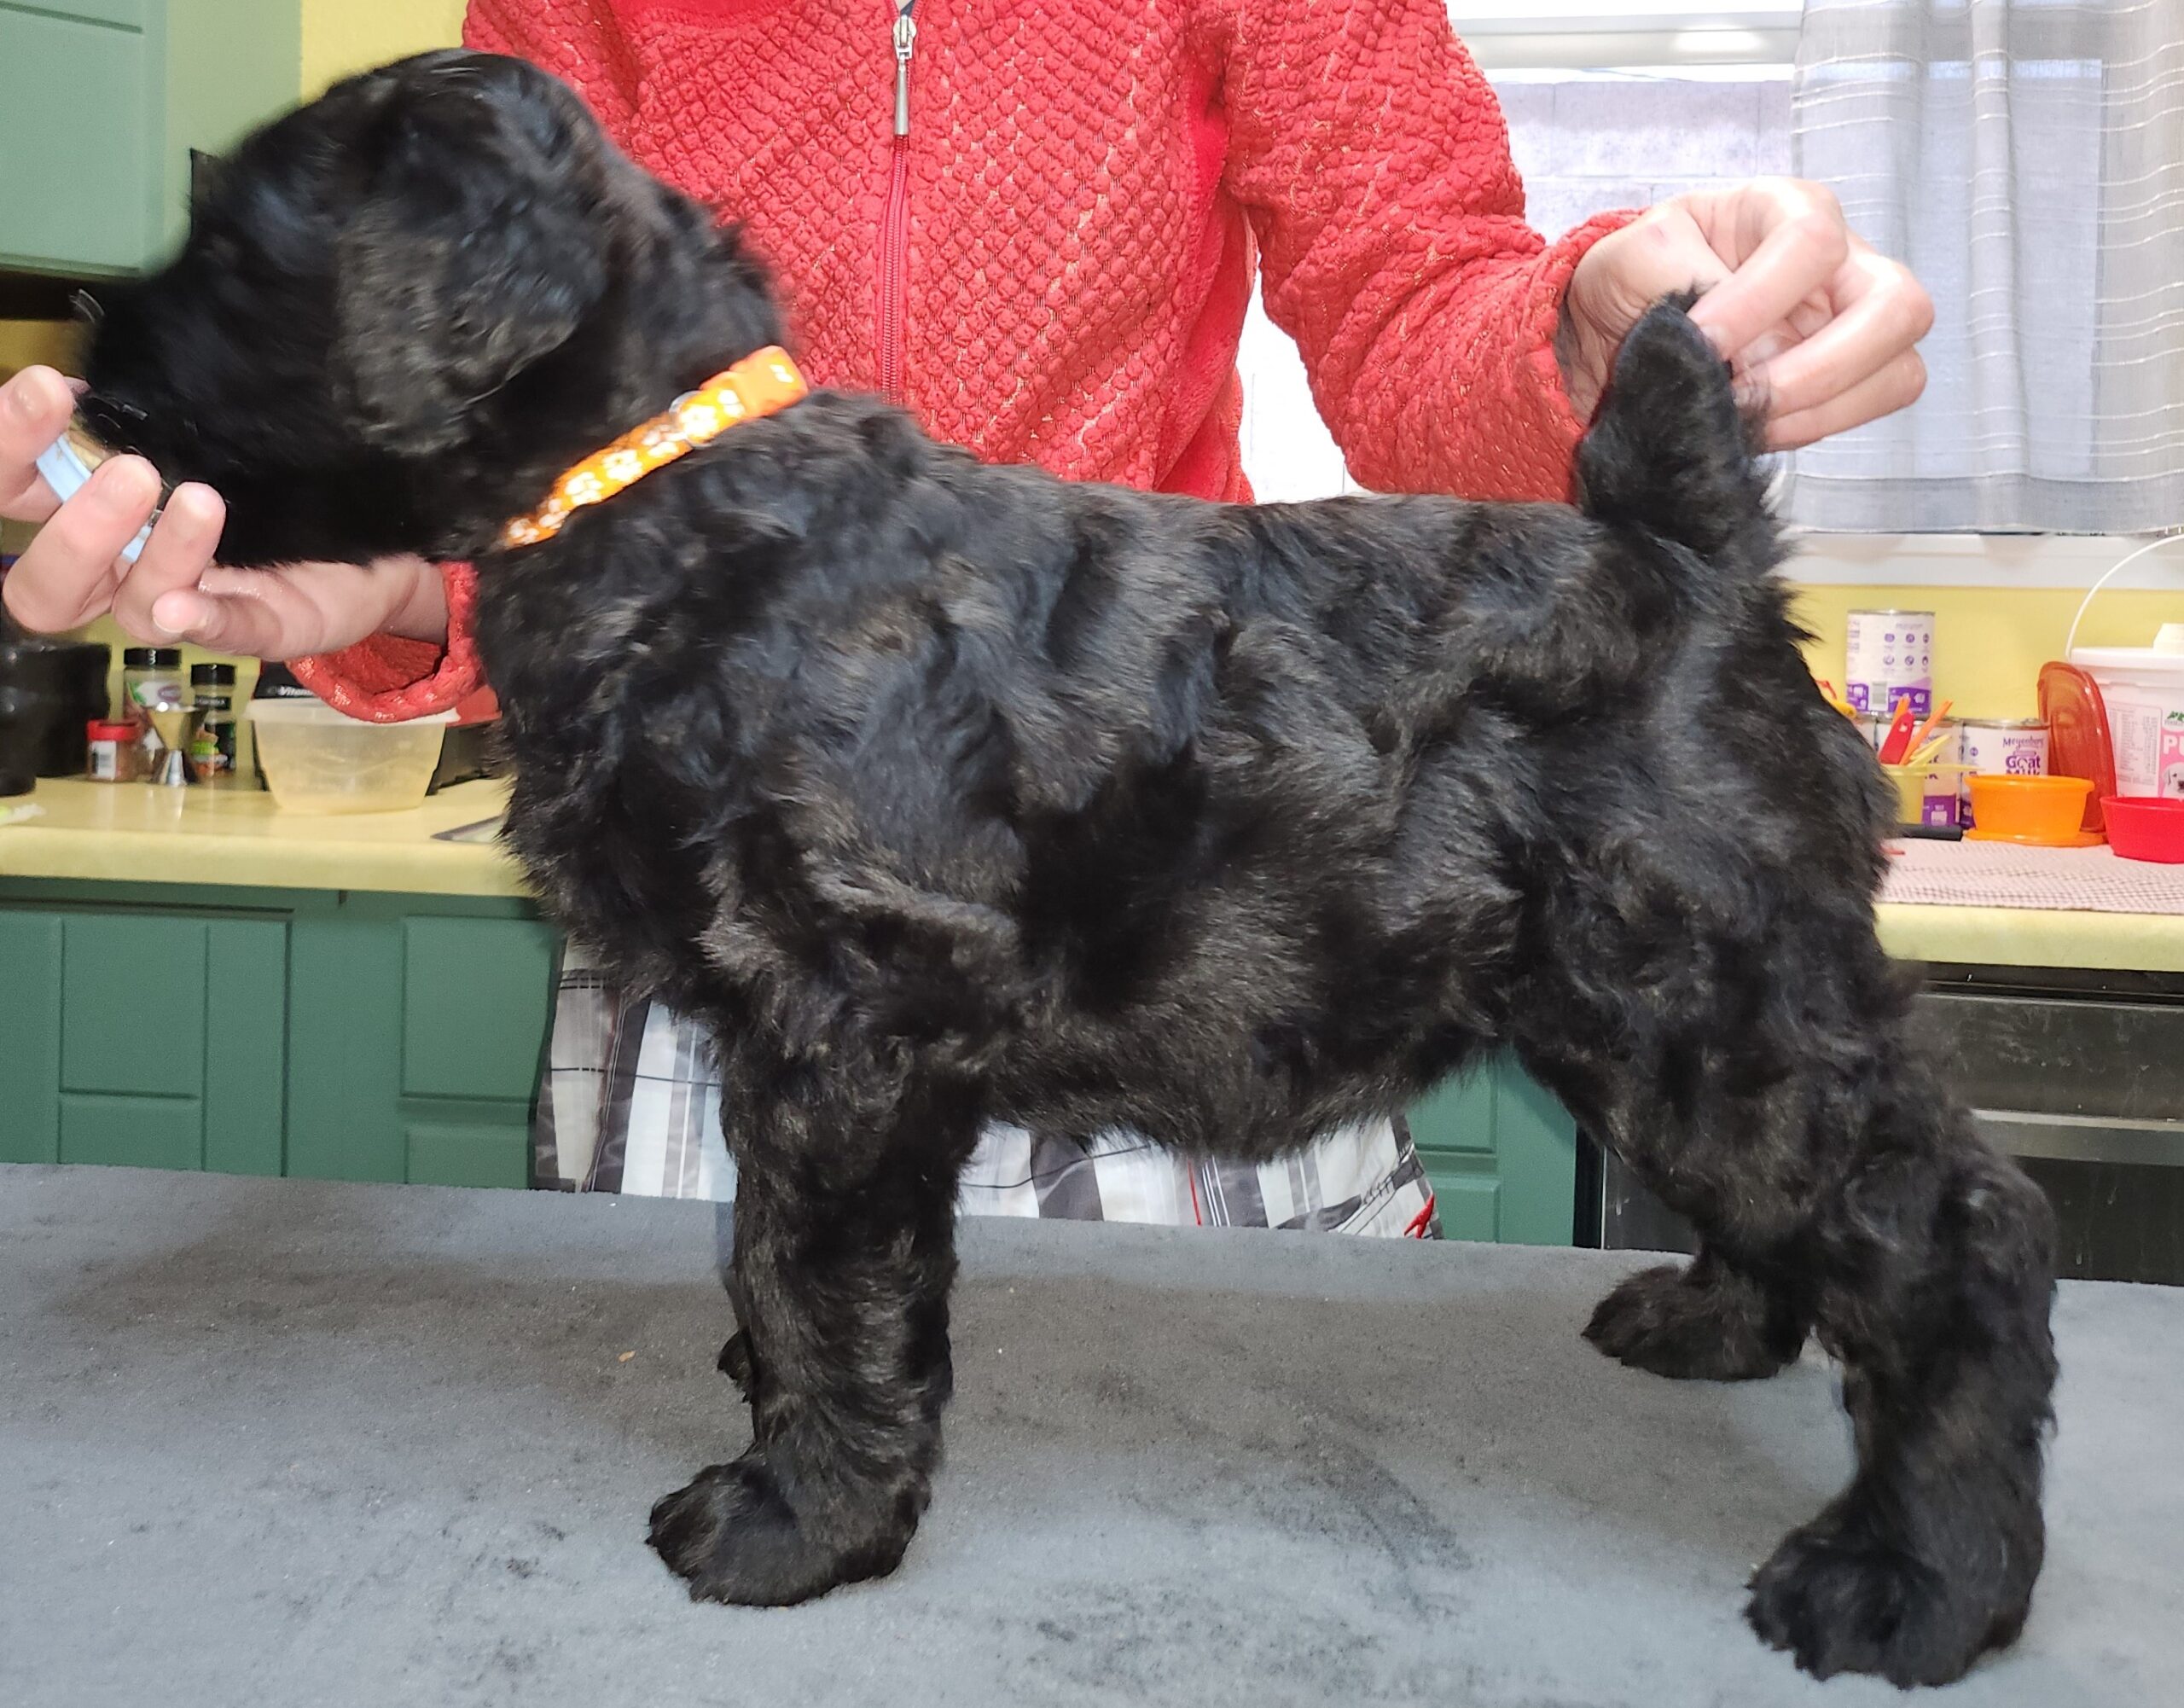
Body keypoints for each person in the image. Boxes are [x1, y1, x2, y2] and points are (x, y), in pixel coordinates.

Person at [0, 0, 1931, 1231]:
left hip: (1169, 850)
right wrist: (376, 576)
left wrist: (1570, 336)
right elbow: (521, 467)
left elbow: (1411, 292)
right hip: (743, 923)